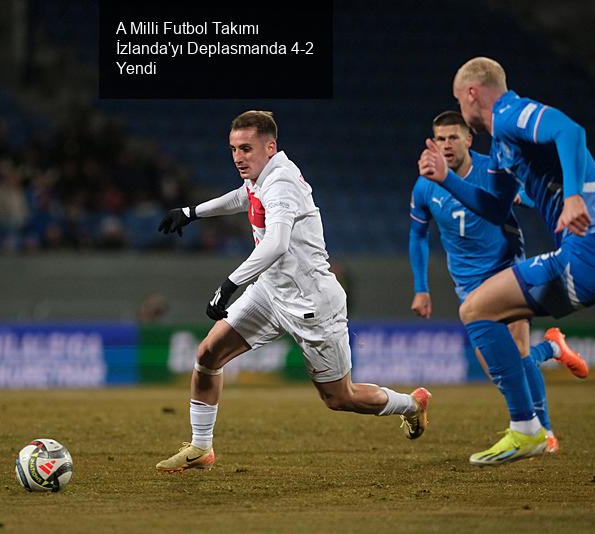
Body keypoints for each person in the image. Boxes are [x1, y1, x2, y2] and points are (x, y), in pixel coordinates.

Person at [155, 110, 431, 473]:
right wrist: (192, 212)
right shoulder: (260, 176)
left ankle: (411, 404)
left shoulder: (282, 181)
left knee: (339, 397)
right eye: (233, 149)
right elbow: (243, 198)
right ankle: (201, 448)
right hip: (271, 293)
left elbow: (277, 243)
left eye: (246, 148)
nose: (238, 157)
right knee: (207, 354)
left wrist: (229, 286)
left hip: (311, 303)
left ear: (270, 147)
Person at [418, 57, 595, 466]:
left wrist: (574, 195)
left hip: (588, 249)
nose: (460, 107)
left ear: (472, 93)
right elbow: (493, 207)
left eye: (459, 98)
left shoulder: (509, 113)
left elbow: (570, 131)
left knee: (476, 309)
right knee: (490, 321)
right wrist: (446, 179)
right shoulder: (503, 146)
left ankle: (527, 429)